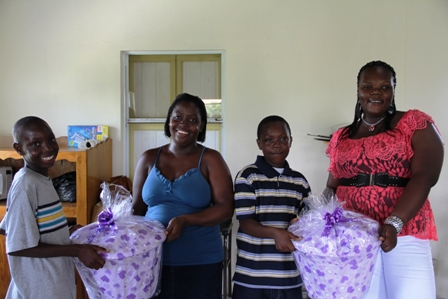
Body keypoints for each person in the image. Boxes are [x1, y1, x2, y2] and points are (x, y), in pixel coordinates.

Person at [325, 60, 444, 298]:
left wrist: (395, 222)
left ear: (393, 90)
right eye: (368, 86)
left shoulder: (413, 124)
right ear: (358, 91)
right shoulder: (342, 136)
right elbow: (331, 186)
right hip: (353, 236)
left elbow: (426, 176)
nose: (376, 92)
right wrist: (322, 223)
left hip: (404, 233)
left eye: (384, 87)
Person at [132, 93, 234, 299]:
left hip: (200, 261)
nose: (183, 124)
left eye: (192, 120)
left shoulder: (211, 159)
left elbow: (225, 207)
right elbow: (137, 209)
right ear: (169, 120)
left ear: (202, 126)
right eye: (177, 117)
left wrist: (186, 220)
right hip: (153, 261)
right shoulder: (148, 158)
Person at [0, 116, 107, 299]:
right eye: (35, 144)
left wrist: (66, 231)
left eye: (50, 140)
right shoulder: (26, 185)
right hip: (39, 290)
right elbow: (18, 246)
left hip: (55, 283)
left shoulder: (41, 179)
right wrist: (77, 251)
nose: (48, 148)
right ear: (19, 149)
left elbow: (10, 228)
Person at [232, 115, 311, 299]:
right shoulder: (248, 176)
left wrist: (301, 223)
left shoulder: (299, 181)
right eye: (269, 140)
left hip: (289, 276)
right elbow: (245, 223)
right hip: (251, 277)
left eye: (283, 139)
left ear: (290, 141)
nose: (277, 145)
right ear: (259, 143)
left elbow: (307, 221)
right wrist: (275, 233)